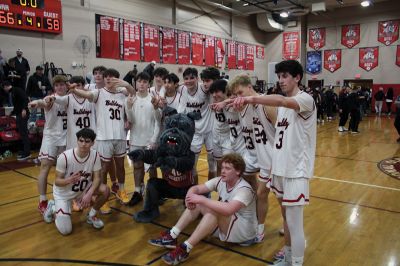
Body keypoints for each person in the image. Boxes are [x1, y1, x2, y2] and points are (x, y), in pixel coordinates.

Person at [229, 60, 316, 266]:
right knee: (287, 221)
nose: (281, 80)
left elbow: (280, 101)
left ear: (297, 78)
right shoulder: (283, 105)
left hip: (296, 172)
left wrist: (251, 98)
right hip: (280, 170)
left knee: (294, 224)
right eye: (279, 76)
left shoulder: (305, 99)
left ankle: (296, 262)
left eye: (285, 76)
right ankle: (287, 256)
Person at [149, 153, 257, 265]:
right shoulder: (220, 181)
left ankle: (185, 248)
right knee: (201, 204)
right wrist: (189, 198)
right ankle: (172, 235)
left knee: (211, 207)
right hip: (231, 224)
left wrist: (201, 200)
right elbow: (195, 188)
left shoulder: (244, 189)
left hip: (245, 233)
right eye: (223, 167)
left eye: (227, 168)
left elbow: (228, 210)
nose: (223, 171)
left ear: (238, 171)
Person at [68, 68, 135, 213]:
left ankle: (121, 190)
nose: (109, 80)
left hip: (120, 136)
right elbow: (86, 94)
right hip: (104, 137)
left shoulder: (122, 94)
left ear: (118, 80)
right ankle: (103, 197)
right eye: (107, 77)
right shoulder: (99, 93)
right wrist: (74, 90)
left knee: (120, 166)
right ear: (104, 79)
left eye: (113, 77)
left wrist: (125, 84)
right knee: (103, 168)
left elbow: (134, 93)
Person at [43, 128, 110, 235]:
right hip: (63, 194)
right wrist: (69, 180)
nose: (83, 144)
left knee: (105, 190)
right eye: (81, 140)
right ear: (77, 140)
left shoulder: (95, 155)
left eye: (87, 141)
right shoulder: (64, 157)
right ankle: (53, 206)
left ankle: (91, 215)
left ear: (92, 143)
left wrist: (89, 193)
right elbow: (57, 182)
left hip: (82, 190)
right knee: (66, 231)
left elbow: (97, 178)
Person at [29, 75, 68, 214]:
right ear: (54, 88)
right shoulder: (50, 99)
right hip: (51, 138)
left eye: (62, 85)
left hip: (65, 139)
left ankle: (65, 198)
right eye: (57, 85)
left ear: (66, 85)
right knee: (45, 168)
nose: (59, 87)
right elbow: (43, 102)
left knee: (64, 171)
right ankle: (42, 200)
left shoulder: (70, 99)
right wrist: (36, 103)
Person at [125, 72, 161, 206]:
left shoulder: (153, 99)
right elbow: (131, 120)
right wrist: (128, 107)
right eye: (139, 81)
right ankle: (137, 192)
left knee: (152, 168)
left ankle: (155, 193)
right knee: (137, 167)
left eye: (144, 82)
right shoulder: (130, 99)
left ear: (148, 84)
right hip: (135, 139)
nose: (141, 84)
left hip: (149, 140)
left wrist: (154, 139)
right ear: (135, 83)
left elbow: (158, 121)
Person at [178, 67, 218, 183]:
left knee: (212, 163)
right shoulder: (182, 89)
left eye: (192, 78)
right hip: (194, 132)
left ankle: (210, 192)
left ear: (197, 78)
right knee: (192, 165)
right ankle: (194, 190)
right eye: (186, 79)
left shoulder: (204, 88)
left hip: (209, 130)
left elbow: (220, 84)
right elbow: (172, 87)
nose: (189, 81)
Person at [1, 80, 31, 160]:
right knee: (21, 132)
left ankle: (27, 152)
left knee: (24, 133)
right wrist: (11, 113)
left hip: (23, 114)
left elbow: (25, 99)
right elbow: (17, 106)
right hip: (19, 114)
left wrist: (24, 109)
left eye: (4, 88)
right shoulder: (12, 93)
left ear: (6, 86)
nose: (4, 90)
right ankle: (24, 150)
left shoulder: (17, 90)